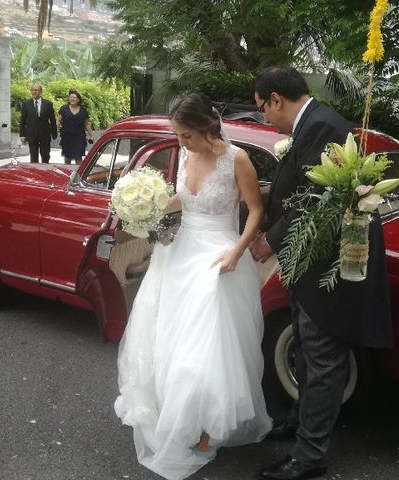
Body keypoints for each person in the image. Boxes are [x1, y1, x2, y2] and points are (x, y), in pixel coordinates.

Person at [114, 93, 272, 480]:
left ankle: (209, 429)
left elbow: (256, 210)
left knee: (205, 348)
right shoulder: (185, 155)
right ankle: (177, 413)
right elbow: (181, 201)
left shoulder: (237, 159)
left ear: (206, 126)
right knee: (170, 337)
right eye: (179, 136)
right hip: (179, 253)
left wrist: (237, 251)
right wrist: (142, 207)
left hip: (219, 256)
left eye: (186, 135)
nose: (182, 143)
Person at [250, 66, 393, 480]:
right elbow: (297, 186)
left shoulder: (322, 126)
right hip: (309, 262)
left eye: (262, 108)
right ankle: (298, 422)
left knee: (323, 357)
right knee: (307, 351)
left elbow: (315, 200)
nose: (264, 118)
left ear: (276, 98)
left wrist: (269, 241)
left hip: (326, 262)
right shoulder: (314, 123)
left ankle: (309, 457)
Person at [19, 83, 57, 163]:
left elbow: (52, 120)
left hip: (45, 134)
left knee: (45, 156)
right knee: (33, 157)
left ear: (40, 91)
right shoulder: (26, 104)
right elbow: (22, 121)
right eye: (32, 90)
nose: (34, 92)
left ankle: (45, 172)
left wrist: (54, 133)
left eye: (36, 90)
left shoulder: (48, 104)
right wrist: (22, 135)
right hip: (32, 134)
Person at [57, 88, 93, 164]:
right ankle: (68, 174)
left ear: (78, 100)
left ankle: (79, 175)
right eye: (71, 97)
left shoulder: (83, 110)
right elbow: (58, 121)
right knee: (67, 158)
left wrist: (91, 135)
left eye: (74, 97)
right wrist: (54, 131)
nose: (72, 99)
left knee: (79, 158)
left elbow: (87, 124)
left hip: (79, 137)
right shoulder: (63, 109)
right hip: (67, 137)